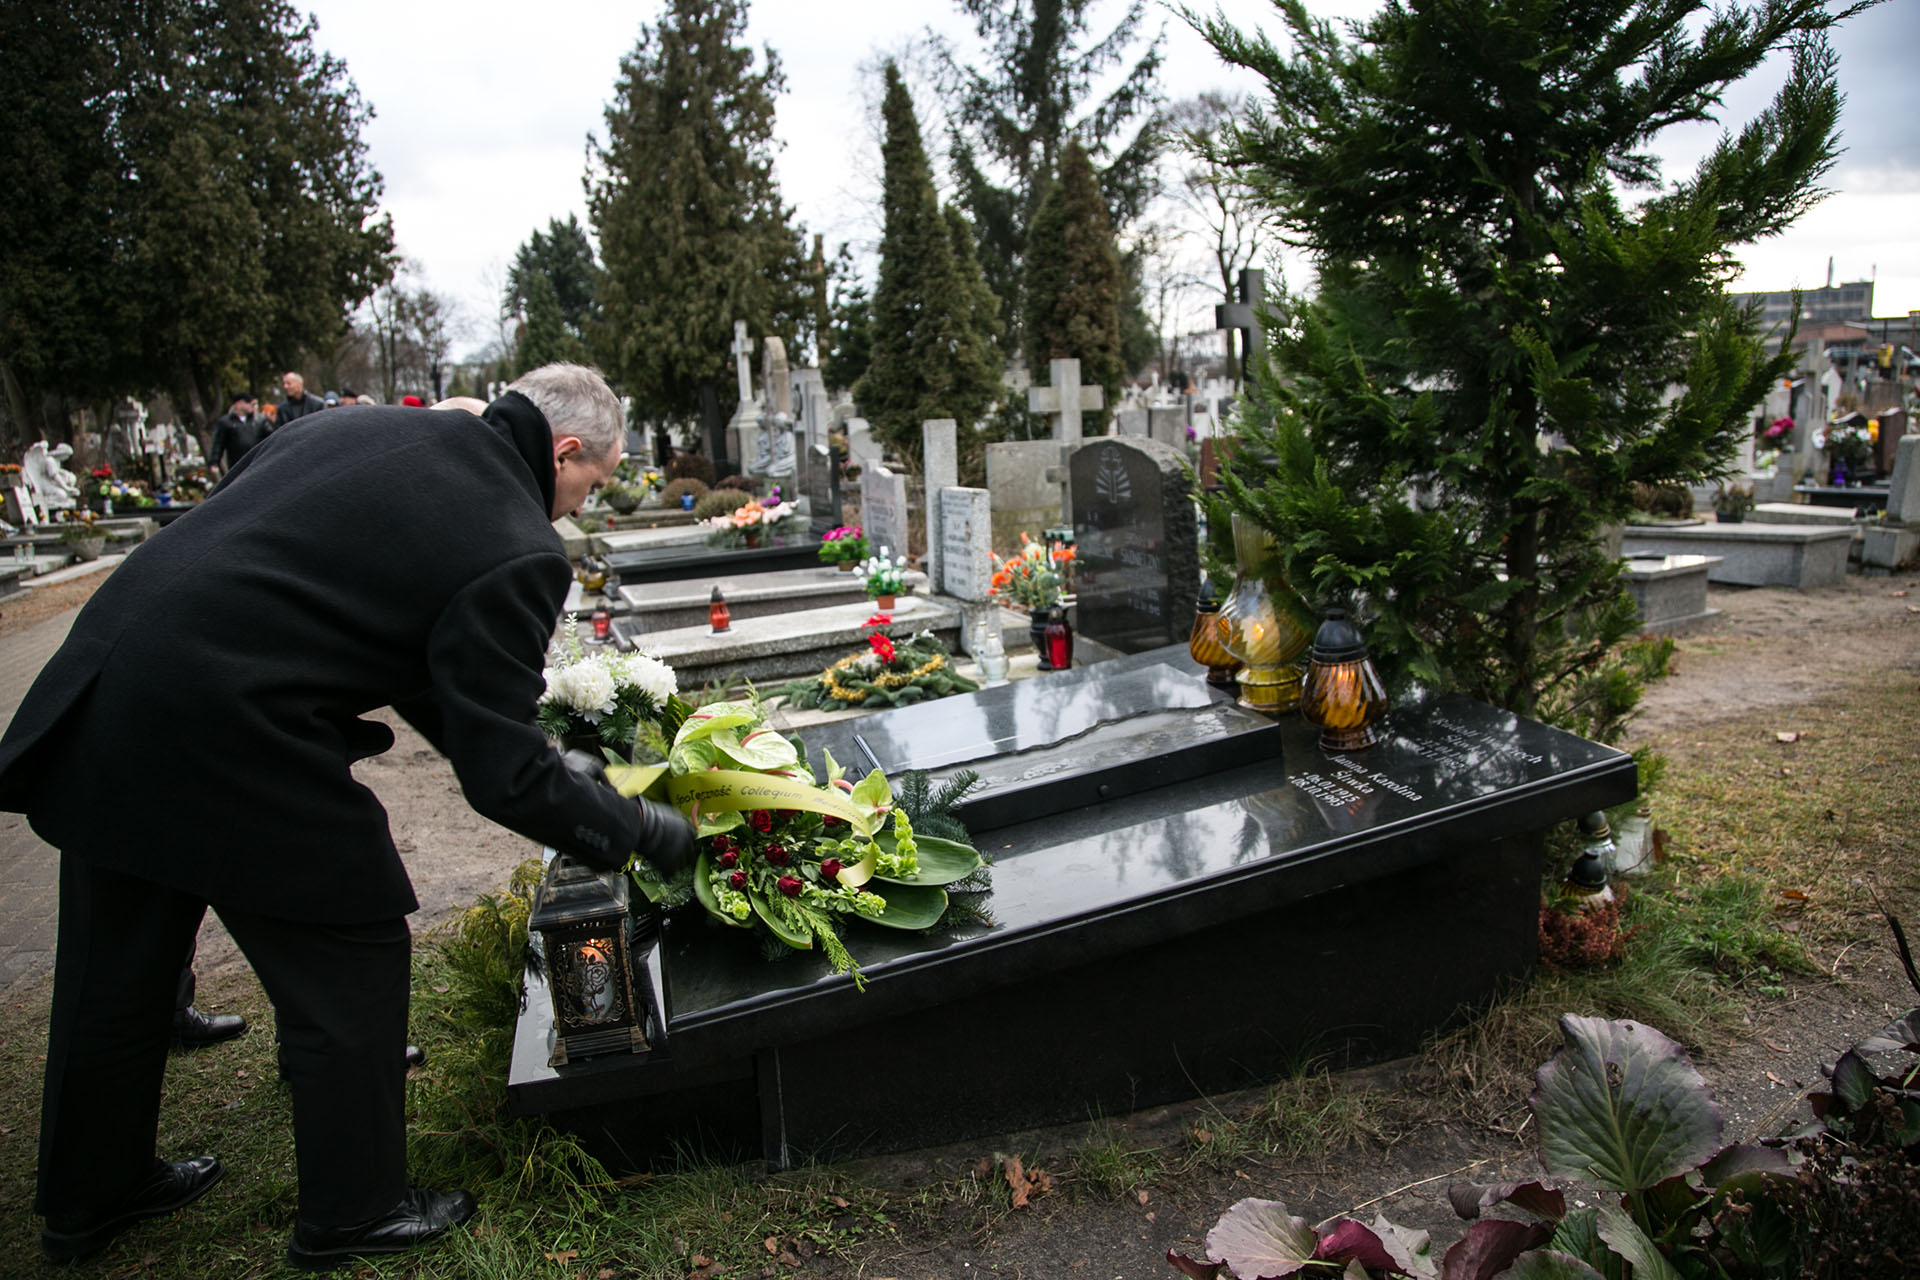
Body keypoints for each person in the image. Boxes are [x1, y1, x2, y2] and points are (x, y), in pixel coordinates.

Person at [0, 363, 695, 1269]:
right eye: (591, 484)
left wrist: (536, 752)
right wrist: (635, 828)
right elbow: (502, 779)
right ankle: (354, 1210)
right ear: (564, 452)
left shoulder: (360, 428)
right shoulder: (517, 541)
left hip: (115, 681)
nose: (577, 507)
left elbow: (406, 652)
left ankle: (89, 1194)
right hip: (227, 718)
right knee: (351, 938)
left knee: (117, 965)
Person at [206, 392, 271, 478]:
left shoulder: (259, 420)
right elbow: (218, 443)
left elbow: (271, 436)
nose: (252, 405)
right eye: (248, 402)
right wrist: (214, 462)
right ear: (238, 404)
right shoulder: (226, 422)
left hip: (257, 462)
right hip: (236, 465)